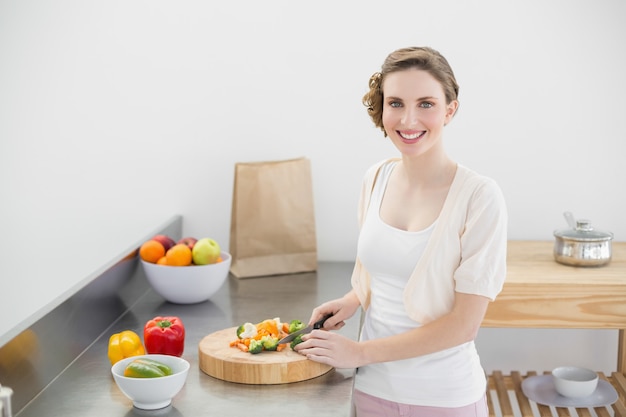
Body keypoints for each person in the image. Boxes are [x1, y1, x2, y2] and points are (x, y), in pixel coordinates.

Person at [295, 46, 508, 417]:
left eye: (426, 103)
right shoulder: (375, 178)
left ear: (450, 110)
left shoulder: (480, 197)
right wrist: (352, 299)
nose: (408, 120)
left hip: (443, 398)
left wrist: (357, 353)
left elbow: (463, 325)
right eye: (396, 103)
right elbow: (387, 271)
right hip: (369, 390)